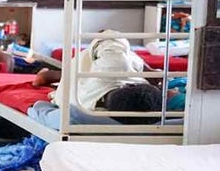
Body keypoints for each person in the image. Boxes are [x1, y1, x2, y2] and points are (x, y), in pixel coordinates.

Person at [28, 33, 174, 127]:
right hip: (80, 87)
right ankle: (53, 76)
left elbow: (107, 35)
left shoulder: (78, 109)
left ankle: (52, 75)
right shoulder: (82, 106)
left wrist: (148, 71)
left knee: (83, 68)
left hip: (83, 71)